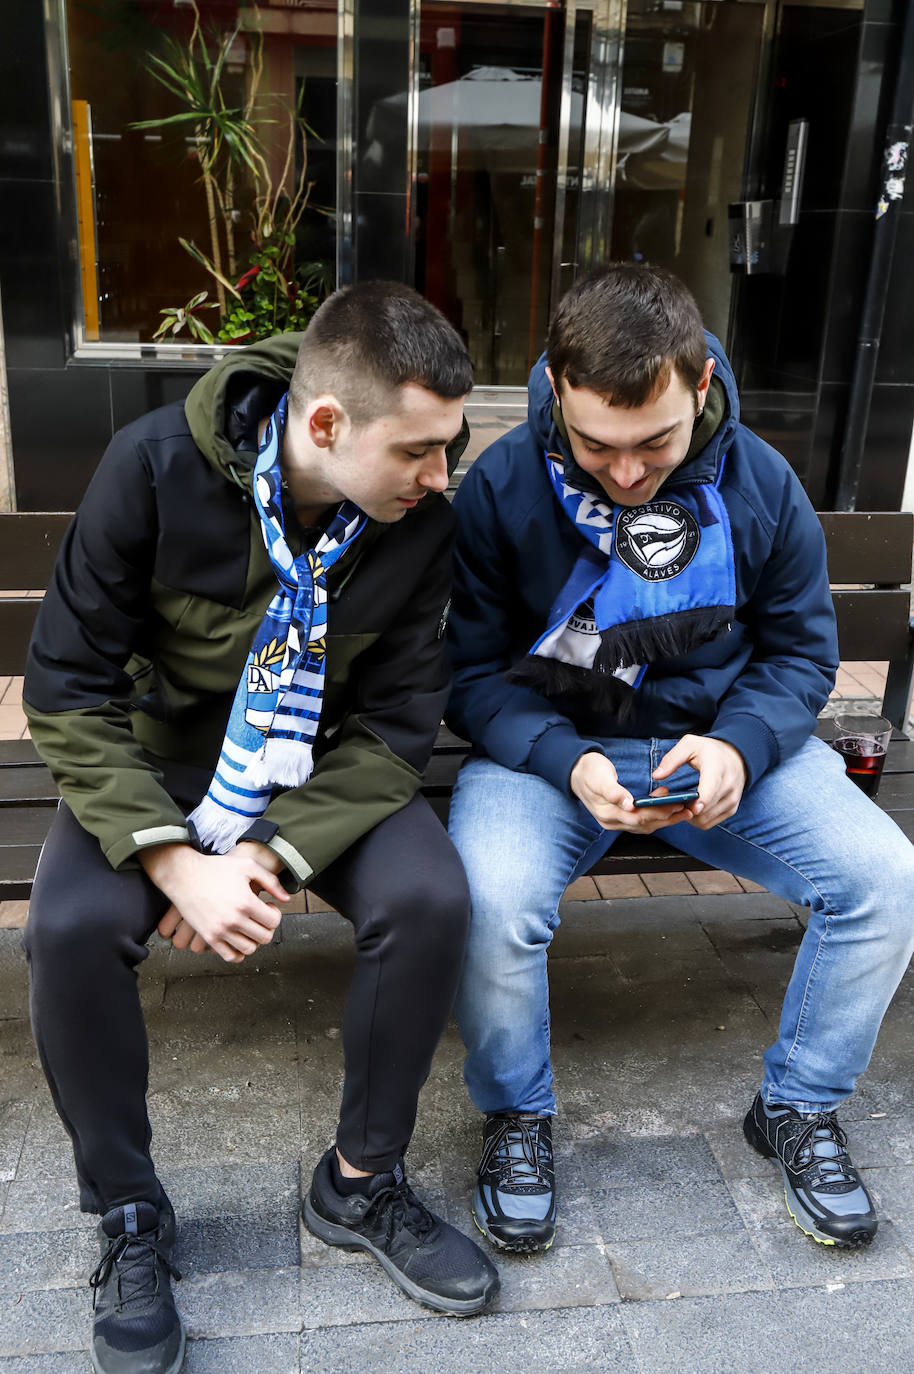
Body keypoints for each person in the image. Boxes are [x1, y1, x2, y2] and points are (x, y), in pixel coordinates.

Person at [23, 282, 500, 1374]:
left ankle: (361, 1183)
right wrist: (168, 857)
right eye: (420, 451)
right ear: (324, 425)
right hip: (152, 758)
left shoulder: (420, 521)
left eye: (450, 447)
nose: (441, 476)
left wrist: (261, 853)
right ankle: (129, 1215)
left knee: (429, 896)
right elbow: (64, 692)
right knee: (65, 932)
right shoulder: (148, 469)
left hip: (315, 770)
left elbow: (395, 725)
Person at [444, 263, 914, 1258]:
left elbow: (798, 653)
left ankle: (795, 1106)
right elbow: (470, 674)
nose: (623, 473)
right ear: (555, 391)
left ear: (699, 385)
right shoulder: (498, 485)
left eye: (650, 442)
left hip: (726, 742)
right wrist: (564, 759)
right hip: (549, 748)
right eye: (593, 446)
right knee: (488, 900)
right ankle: (516, 1120)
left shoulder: (759, 480)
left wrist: (738, 745)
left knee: (883, 878)